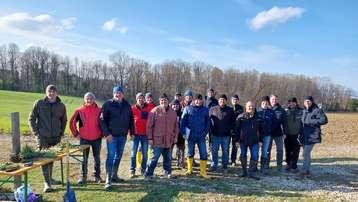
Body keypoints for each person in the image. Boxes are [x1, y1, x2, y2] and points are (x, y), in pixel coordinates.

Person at [29, 85, 67, 192]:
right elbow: (31, 119)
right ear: (46, 93)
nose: (51, 94)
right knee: (44, 160)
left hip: (55, 137)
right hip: (43, 137)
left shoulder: (61, 106)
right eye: (49, 92)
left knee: (51, 159)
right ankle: (47, 183)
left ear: (57, 93)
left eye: (53, 92)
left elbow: (64, 121)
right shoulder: (39, 103)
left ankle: (49, 178)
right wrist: (36, 133)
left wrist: (61, 133)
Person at [100, 85, 135, 190]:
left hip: (123, 136)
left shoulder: (127, 105)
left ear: (123, 94)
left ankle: (114, 175)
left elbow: (131, 120)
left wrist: (132, 132)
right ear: (113, 94)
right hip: (111, 136)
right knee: (110, 156)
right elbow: (101, 120)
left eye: (119, 92)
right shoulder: (107, 104)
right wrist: (107, 134)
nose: (118, 94)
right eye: (116, 93)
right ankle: (108, 179)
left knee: (118, 156)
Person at [69, 92, 102, 184]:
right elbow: (72, 122)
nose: (89, 100)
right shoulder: (79, 110)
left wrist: (102, 133)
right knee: (84, 158)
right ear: (84, 99)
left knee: (97, 158)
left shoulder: (99, 110)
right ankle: (83, 177)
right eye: (87, 98)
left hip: (96, 138)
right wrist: (76, 134)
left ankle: (97, 176)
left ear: (94, 99)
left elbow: (104, 123)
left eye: (91, 98)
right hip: (84, 138)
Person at [145, 93, 179, 179]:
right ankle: (148, 174)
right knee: (154, 158)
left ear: (168, 101)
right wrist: (150, 138)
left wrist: (175, 137)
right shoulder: (154, 111)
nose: (163, 102)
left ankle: (167, 172)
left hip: (169, 140)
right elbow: (149, 126)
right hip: (157, 140)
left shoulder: (173, 112)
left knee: (168, 158)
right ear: (159, 101)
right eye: (161, 100)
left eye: (165, 100)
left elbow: (176, 126)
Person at [180, 94, 210, 178]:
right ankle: (189, 169)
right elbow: (182, 122)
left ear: (202, 101)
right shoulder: (187, 108)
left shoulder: (205, 110)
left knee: (203, 153)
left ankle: (203, 172)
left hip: (201, 136)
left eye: (200, 100)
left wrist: (205, 132)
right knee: (190, 153)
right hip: (190, 136)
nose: (198, 101)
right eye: (196, 100)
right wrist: (183, 133)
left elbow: (208, 123)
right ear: (193, 100)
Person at [300, 96, 328, 177]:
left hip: (313, 135)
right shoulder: (304, 111)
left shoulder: (317, 110)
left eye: (308, 101)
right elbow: (302, 123)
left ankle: (304, 171)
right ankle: (307, 170)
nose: (307, 103)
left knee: (305, 153)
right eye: (305, 101)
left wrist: (312, 121)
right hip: (305, 135)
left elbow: (324, 120)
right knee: (306, 154)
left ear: (312, 102)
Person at [235, 101, 262, 180]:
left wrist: (260, 140)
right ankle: (244, 172)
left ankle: (251, 173)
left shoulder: (258, 117)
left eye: (252, 106)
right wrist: (237, 141)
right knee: (243, 155)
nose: (250, 107)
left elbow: (261, 130)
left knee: (254, 156)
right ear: (246, 107)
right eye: (249, 106)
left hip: (254, 141)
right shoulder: (241, 117)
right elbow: (237, 130)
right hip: (243, 141)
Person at [209, 94, 235, 173]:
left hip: (226, 135)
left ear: (226, 101)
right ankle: (214, 165)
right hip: (215, 134)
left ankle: (225, 165)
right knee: (214, 151)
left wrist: (231, 130)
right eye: (220, 100)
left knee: (225, 151)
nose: (222, 101)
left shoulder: (230, 110)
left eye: (223, 100)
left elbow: (233, 122)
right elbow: (208, 121)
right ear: (218, 101)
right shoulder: (212, 109)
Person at [130, 93, 151, 178]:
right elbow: (129, 122)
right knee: (133, 153)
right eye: (139, 98)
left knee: (145, 154)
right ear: (136, 99)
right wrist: (130, 133)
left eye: (142, 98)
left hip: (145, 135)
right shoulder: (132, 108)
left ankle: (143, 170)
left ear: (144, 99)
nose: (140, 100)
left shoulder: (148, 108)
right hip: (135, 135)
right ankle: (132, 170)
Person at [267, 94, 288, 172]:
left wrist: (285, 133)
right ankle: (266, 165)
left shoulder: (281, 110)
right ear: (270, 100)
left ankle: (279, 166)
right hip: (268, 134)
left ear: (277, 100)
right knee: (267, 150)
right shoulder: (267, 108)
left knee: (280, 150)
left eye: (275, 99)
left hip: (278, 133)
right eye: (272, 99)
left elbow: (285, 123)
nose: (274, 101)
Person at [136, 92, 156, 170]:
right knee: (140, 148)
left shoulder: (155, 106)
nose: (149, 99)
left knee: (150, 148)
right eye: (147, 98)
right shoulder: (144, 106)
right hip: (142, 131)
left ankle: (148, 161)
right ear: (145, 99)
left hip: (151, 130)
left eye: (150, 98)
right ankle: (138, 163)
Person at [256, 96, 275, 174]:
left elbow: (274, 123)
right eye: (263, 103)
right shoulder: (256, 111)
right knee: (256, 151)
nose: (265, 104)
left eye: (266, 103)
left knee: (265, 151)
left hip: (267, 135)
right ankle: (254, 167)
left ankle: (263, 167)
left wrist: (270, 130)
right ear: (261, 103)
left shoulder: (271, 112)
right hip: (257, 135)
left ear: (268, 104)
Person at [284, 97, 303, 173]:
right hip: (287, 134)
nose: (291, 104)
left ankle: (294, 166)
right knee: (287, 150)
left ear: (296, 103)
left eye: (293, 102)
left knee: (296, 151)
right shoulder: (286, 111)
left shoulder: (301, 111)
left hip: (297, 135)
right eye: (290, 102)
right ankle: (288, 164)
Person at [170, 99, 185, 169]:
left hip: (180, 135)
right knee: (169, 150)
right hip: (171, 134)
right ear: (171, 106)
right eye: (173, 105)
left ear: (179, 106)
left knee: (181, 150)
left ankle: (180, 163)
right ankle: (168, 163)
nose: (175, 106)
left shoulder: (182, 113)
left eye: (176, 105)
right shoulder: (169, 113)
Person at [230, 95, 244, 166]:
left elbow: (242, 118)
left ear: (238, 100)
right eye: (233, 99)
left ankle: (233, 160)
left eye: (236, 99)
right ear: (231, 100)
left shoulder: (241, 108)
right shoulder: (229, 108)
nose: (234, 101)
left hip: (237, 130)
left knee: (235, 146)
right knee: (226, 146)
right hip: (228, 129)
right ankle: (226, 160)